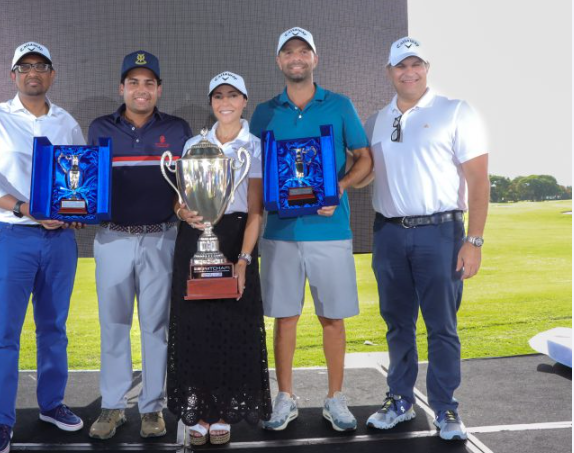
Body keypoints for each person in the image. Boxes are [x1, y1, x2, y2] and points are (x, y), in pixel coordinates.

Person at [360, 37, 489, 441]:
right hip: (390, 234)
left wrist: (475, 240)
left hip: (441, 231)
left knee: (441, 326)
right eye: (401, 66)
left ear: (427, 68)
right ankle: (399, 399)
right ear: (389, 72)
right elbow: (364, 174)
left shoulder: (455, 111)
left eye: (416, 65)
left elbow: (478, 179)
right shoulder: (376, 119)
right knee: (397, 324)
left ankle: (447, 410)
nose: (409, 72)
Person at [250, 27, 372, 432]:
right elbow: (254, 171)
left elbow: (364, 158)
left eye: (304, 51)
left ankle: (335, 399)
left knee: (332, 318)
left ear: (315, 59)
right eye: (289, 52)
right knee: (284, 318)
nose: (296, 58)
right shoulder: (265, 112)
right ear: (279, 61)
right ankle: (285, 397)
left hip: (329, 231)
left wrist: (337, 187)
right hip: (280, 233)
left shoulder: (338, 105)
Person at [0, 41, 85, 453]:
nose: (33, 73)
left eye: (41, 66)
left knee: (53, 329)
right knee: (4, 333)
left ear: (52, 74)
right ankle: (0, 421)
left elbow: (79, 181)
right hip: (9, 237)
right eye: (25, 67)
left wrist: (76, 211)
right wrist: (26, 208)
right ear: (13, 75)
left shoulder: (67, 123)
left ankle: (52, 404)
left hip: (58, 240)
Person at [87, 50, 192, 440]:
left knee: (156, 327)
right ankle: (112, 406)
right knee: (113, 325)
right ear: (122, 88)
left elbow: (188, 187)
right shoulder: (100, 128)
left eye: (149, 82)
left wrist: (187, 204)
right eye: (134, 82)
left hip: (161, 238)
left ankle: (151, 409)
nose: (141, 89)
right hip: (112, 238)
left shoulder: (178, 129)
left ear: (159, 88)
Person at [166, 71, 272, 446]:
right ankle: (199, 410)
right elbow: (180, 197)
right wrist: (182, 214)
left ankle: (224, 411)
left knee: (233, 324)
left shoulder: (255, 147)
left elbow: (256, 210)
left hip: (236, 238)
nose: (225, 102)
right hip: (195, 238)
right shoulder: (196, 142)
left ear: (245, 100)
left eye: (233, 95)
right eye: (218, 96)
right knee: (195, 325)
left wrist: (243, 260)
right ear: (211, 102)